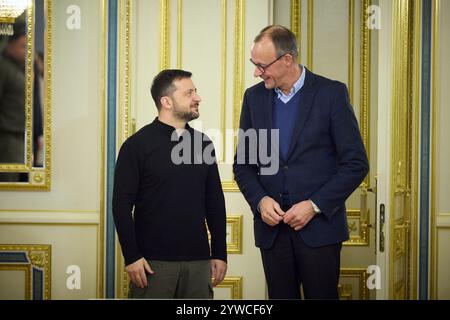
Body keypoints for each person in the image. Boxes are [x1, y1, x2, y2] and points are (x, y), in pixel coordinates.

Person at [233, 25, 369, 299]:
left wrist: (314, 205)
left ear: (287, 59)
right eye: (254, 64)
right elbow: (243, 165)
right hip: (272, 233)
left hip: (320, 231)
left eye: (261, 65)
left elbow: (356, 163)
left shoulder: (331, 94)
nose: (256, 72)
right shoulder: (253, 98)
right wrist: (260, 201)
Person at [113, 69, 227, 299]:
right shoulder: (136, 146)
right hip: (152, 264)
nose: (197, 97)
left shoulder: (203, 144)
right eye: (189, 93)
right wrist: (132, 256)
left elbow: (214, 202)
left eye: (195, 91)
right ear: (166, 101)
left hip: (199, 262)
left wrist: (220, 254)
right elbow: (121, 205)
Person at [0, 22, 27, 182]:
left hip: (17, 137)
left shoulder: (17, 68)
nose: (26, 51)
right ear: (9, 45)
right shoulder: (4, 68)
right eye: (23, 46)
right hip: (7, 139)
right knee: (8, 182)